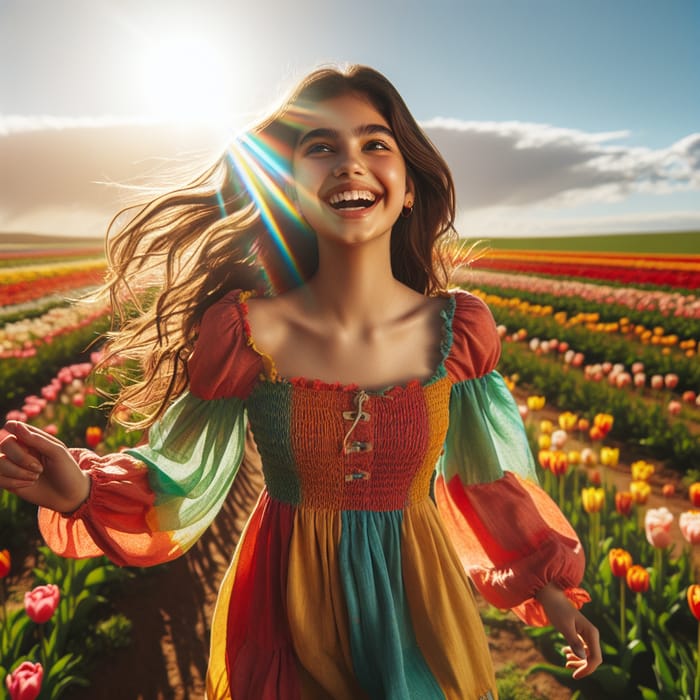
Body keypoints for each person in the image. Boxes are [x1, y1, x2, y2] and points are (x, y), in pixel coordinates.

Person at [0, 65, 601, 699]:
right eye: (321, 148)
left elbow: (485, 480)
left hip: (418, 602)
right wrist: (83, 491)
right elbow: (185, 470)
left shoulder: (458, 329)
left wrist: (550, 591)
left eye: (375, 144)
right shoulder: (244, 331)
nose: (349, 164)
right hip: (284, 605)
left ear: (410, 185)